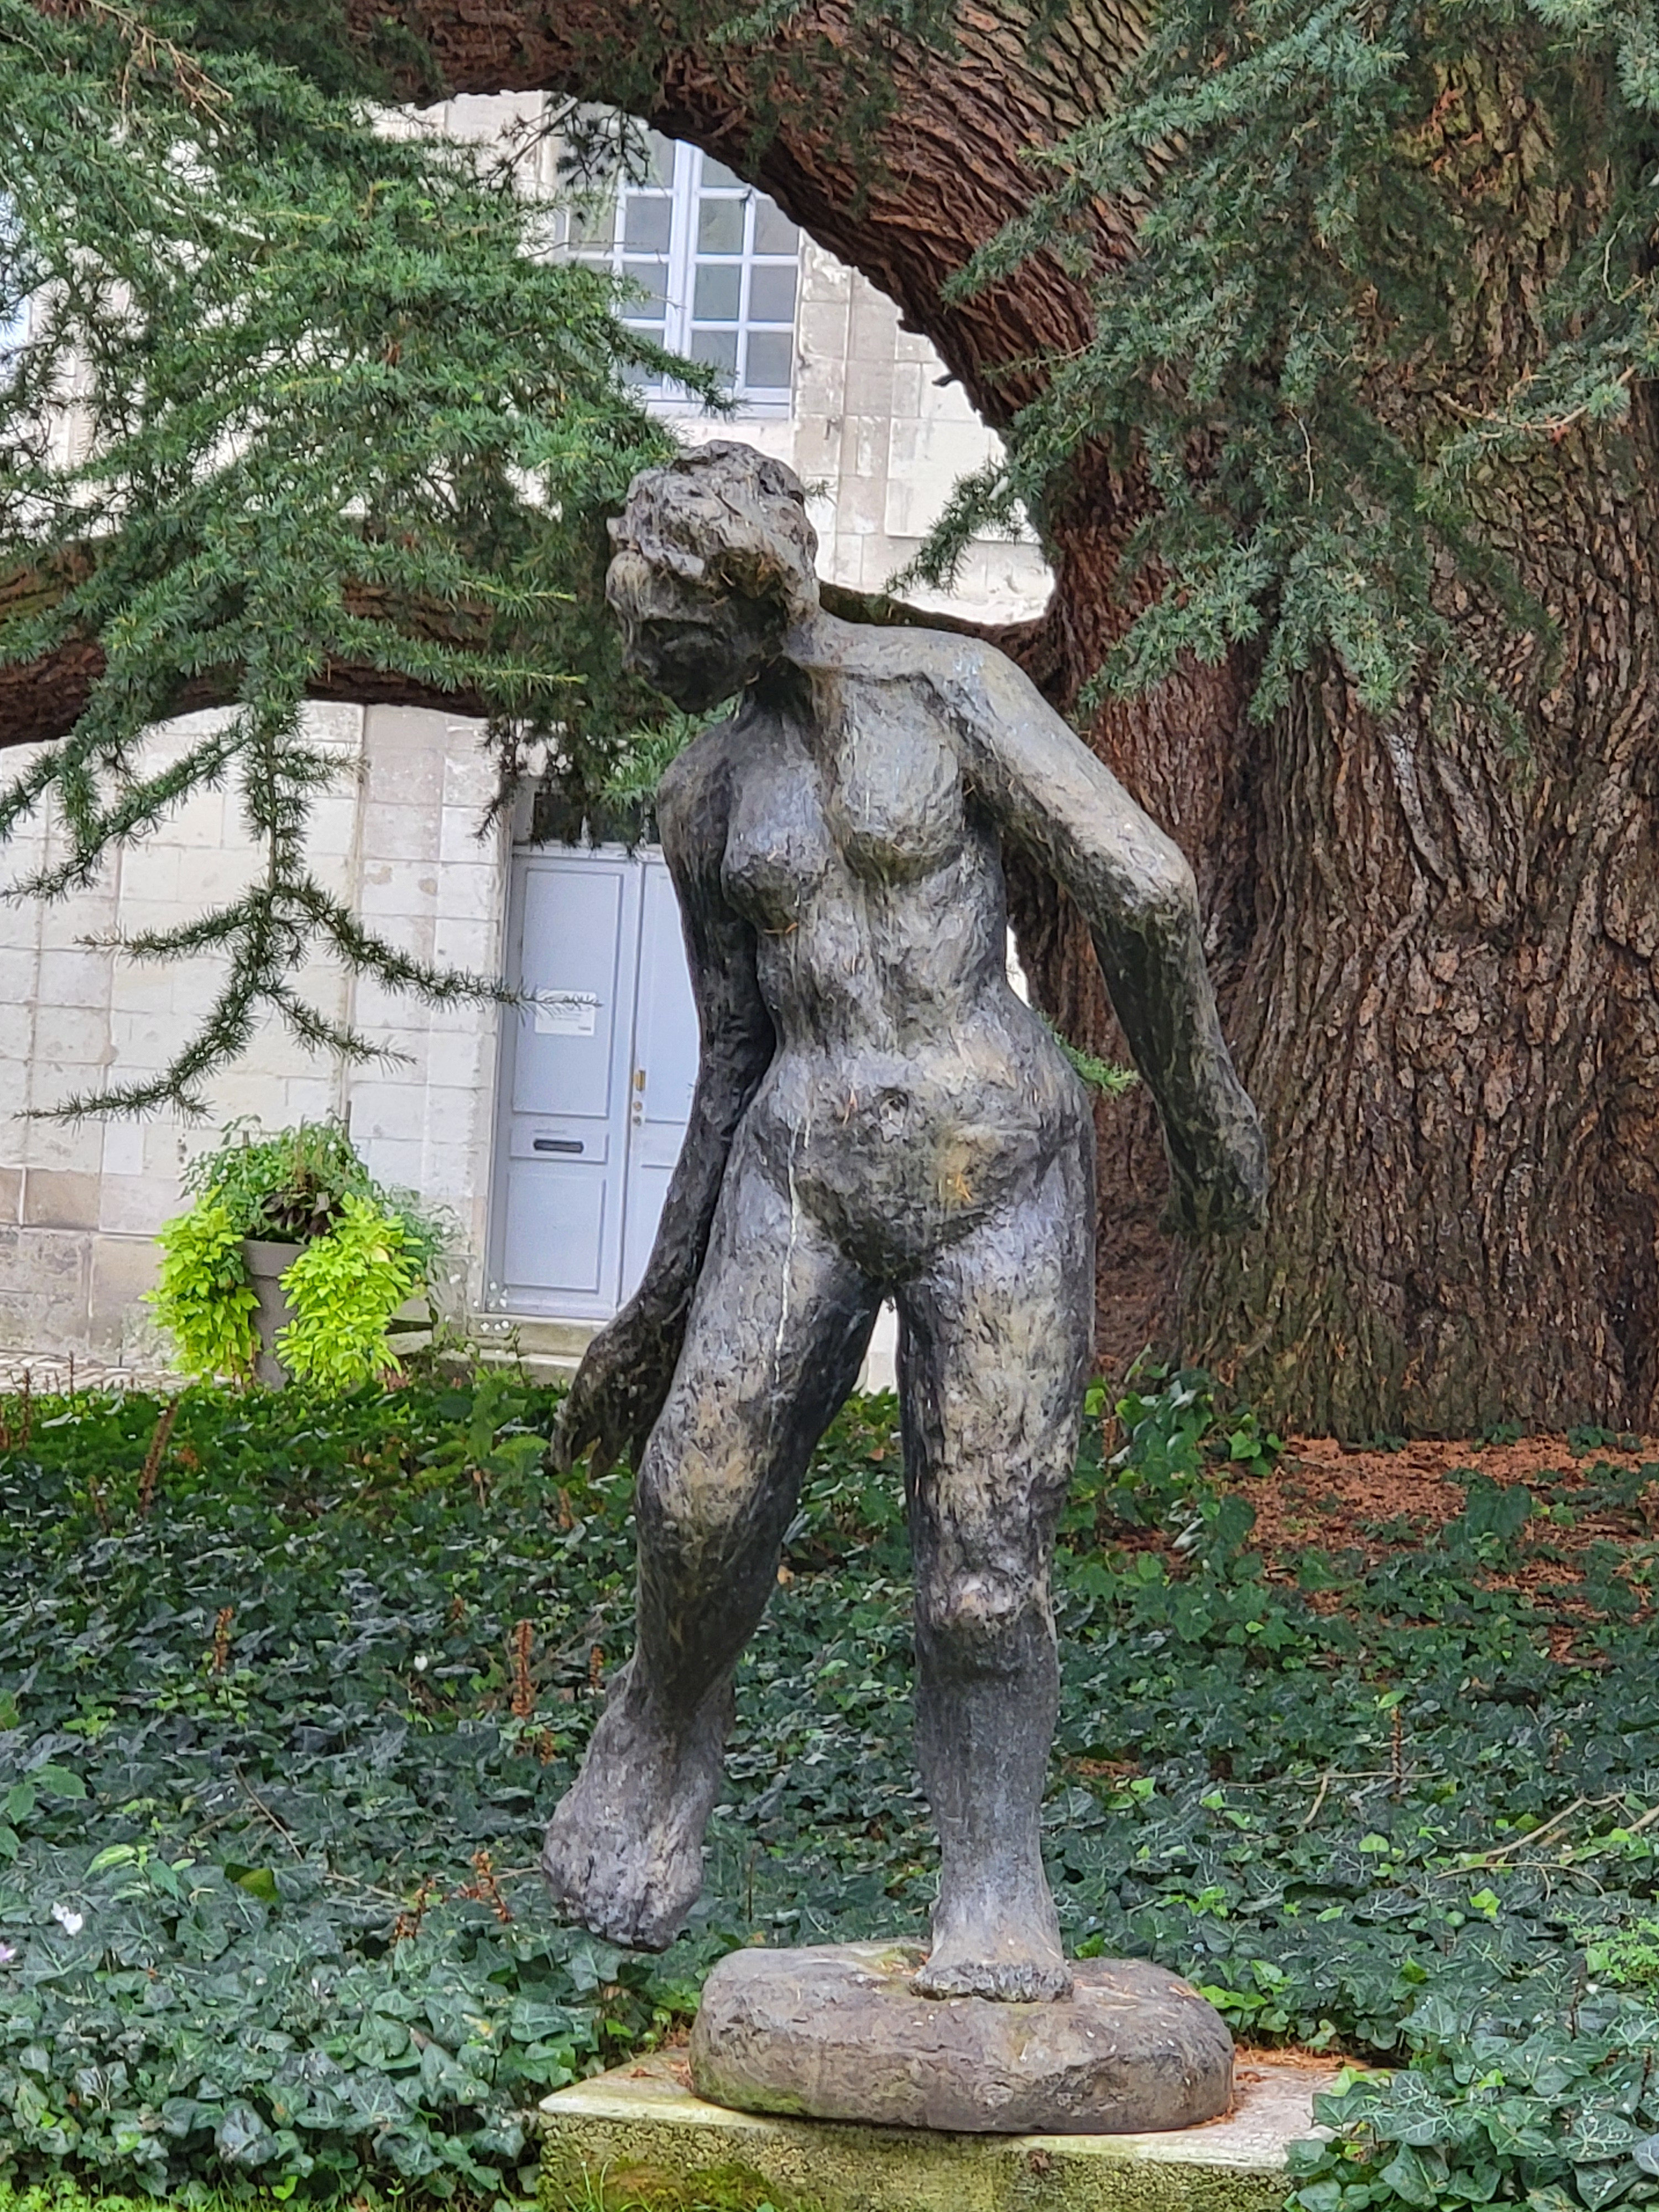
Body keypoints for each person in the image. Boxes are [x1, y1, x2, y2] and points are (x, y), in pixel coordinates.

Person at [544, 442, 1265, 2001]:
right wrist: (651, 1318)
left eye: (659, 623)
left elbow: (1142, 889)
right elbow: (730, 1059)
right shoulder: (703, 793)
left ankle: (995, 1882)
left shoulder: (950, 693)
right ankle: (665, 1721)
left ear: (748, 589)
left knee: (984, 1565)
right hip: (802, 1165)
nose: (640, 655)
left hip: (992, 1161)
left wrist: (1206, 1119)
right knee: (694, 1497)